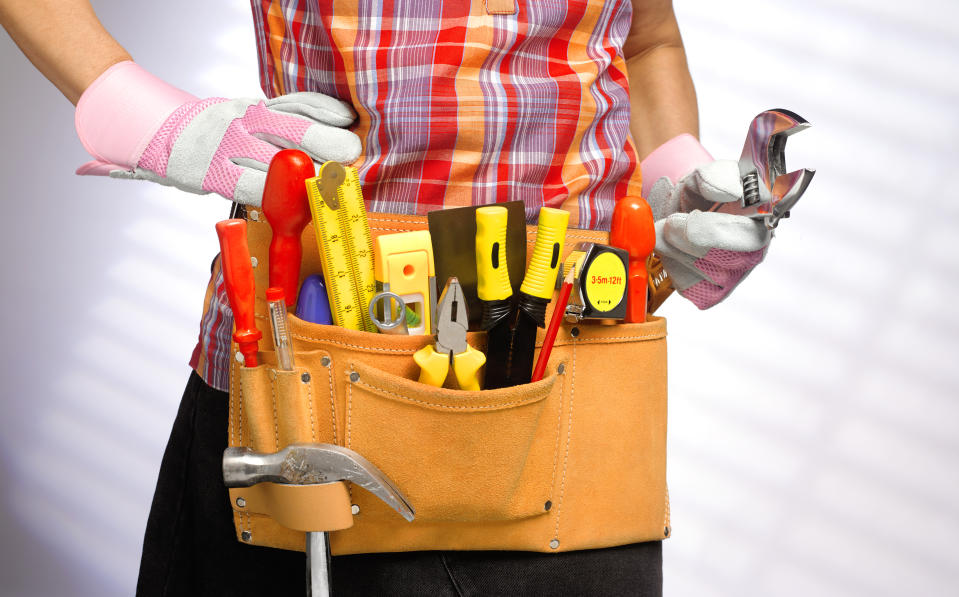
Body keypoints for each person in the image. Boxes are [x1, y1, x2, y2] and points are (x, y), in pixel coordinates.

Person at [1, 0, 772, 594]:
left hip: (576, 389)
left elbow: (645, 38)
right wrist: (141, 115)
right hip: (310, 367)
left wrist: (672, 181)